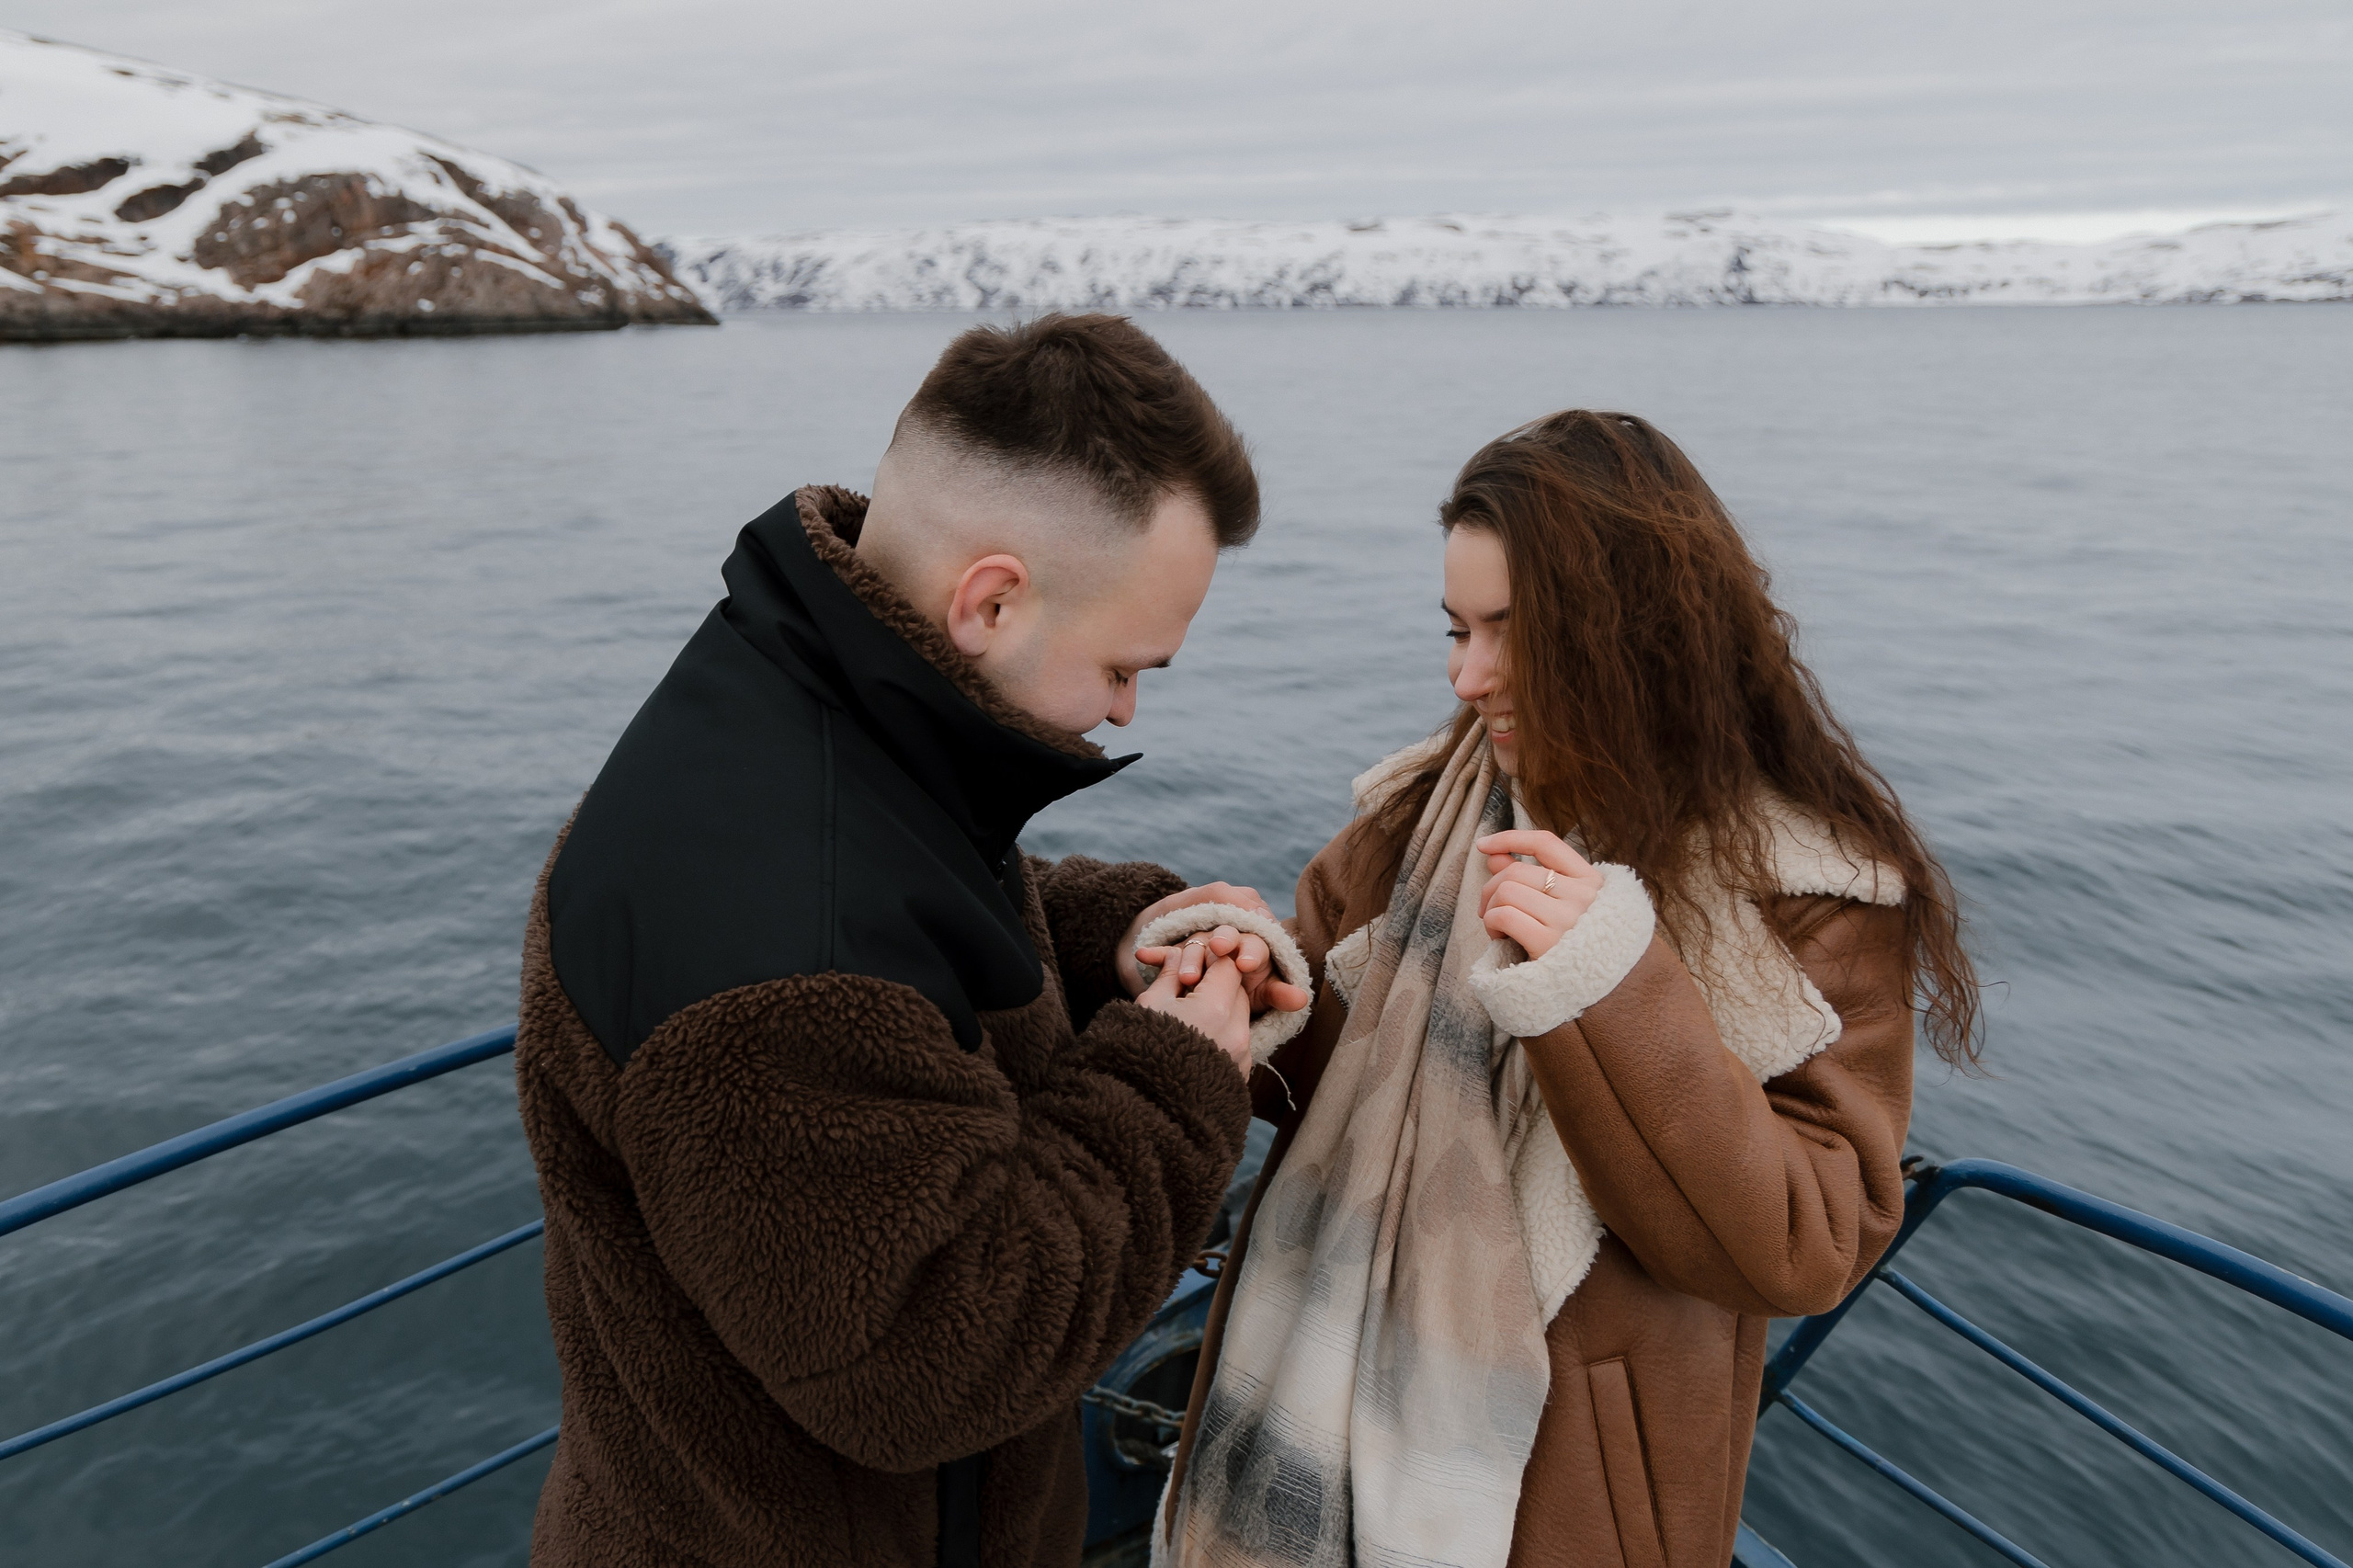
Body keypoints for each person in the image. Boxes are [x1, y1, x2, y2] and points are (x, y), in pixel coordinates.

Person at [514, 313, 1308, 1568]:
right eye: (1121, 662)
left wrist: (1125, 933)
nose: (1126, 707)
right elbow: (938, 1356)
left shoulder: (810, 703)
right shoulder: (774, 968)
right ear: (992, 598)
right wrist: (1181, 1064)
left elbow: (920, 898)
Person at [1155, 410, 1981, 1568]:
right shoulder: (1417, 817)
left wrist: (1608, 984)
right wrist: (1244, 977)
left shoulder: (1811, 892)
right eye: (1455, 628)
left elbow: (1806, 1246)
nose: (1466, 674)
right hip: (1307, 1411)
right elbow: (1326, 1086)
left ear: (1632, 632)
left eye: (1511, 633)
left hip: (1564, 1506)